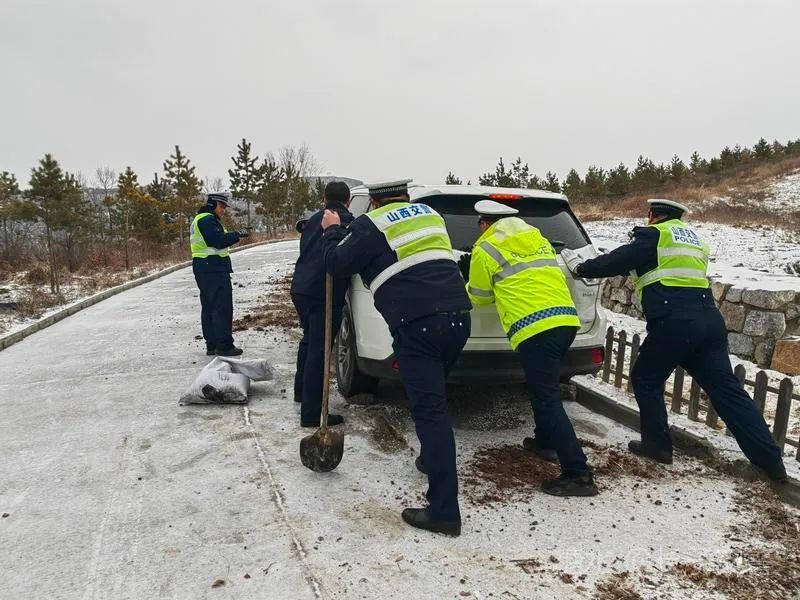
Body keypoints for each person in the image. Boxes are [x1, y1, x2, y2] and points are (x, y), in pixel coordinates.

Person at [562, 199, 787, 482]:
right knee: (727, 391)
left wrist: (582, 268)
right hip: (709, 322)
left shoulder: (655, 235)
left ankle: (657, 447)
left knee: (646, 378)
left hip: (674, 324)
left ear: (653, 216)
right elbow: (654, 269)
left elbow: (618, 260)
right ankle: (772, 462)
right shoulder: (694, 242)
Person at [321, 179, 471, 536]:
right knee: (435, 400)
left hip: (418, 325)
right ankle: (432, 459)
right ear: (406, 197)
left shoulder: (372, 223)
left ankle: (443, 512)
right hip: (458, 320)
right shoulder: (430, 215)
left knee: (430, 411)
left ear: (374, 201)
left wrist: (331, 231)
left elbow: (337, 262)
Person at [463, 200, 598, 496]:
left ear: (484, 223)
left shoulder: (485, 249)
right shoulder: (537, 237)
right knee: (542, 388)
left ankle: (578, 473)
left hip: (534, 328)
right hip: (566, 321)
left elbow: (481, 298)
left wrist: (469, 277)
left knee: (548, 398)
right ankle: (546, 442)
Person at [290, 182, 354, 426]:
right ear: (347, 200)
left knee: (309, 341)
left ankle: (301, 392)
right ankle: (312, 414)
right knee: (320, 351)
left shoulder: (314, 219)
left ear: (324, 199)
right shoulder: (348, 221)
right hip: (323, 293)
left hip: (301, 288)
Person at [190, 193, 250, 357]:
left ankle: (212, 345)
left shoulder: (200, 219)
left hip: (205, 268)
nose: (223, 211)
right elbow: (218, 240)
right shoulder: (207, 220)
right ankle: (224, 345)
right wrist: (238, 234)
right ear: (213, 204)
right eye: (222, 207)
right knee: (221, 307)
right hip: (213, 268)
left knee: (209, 307)